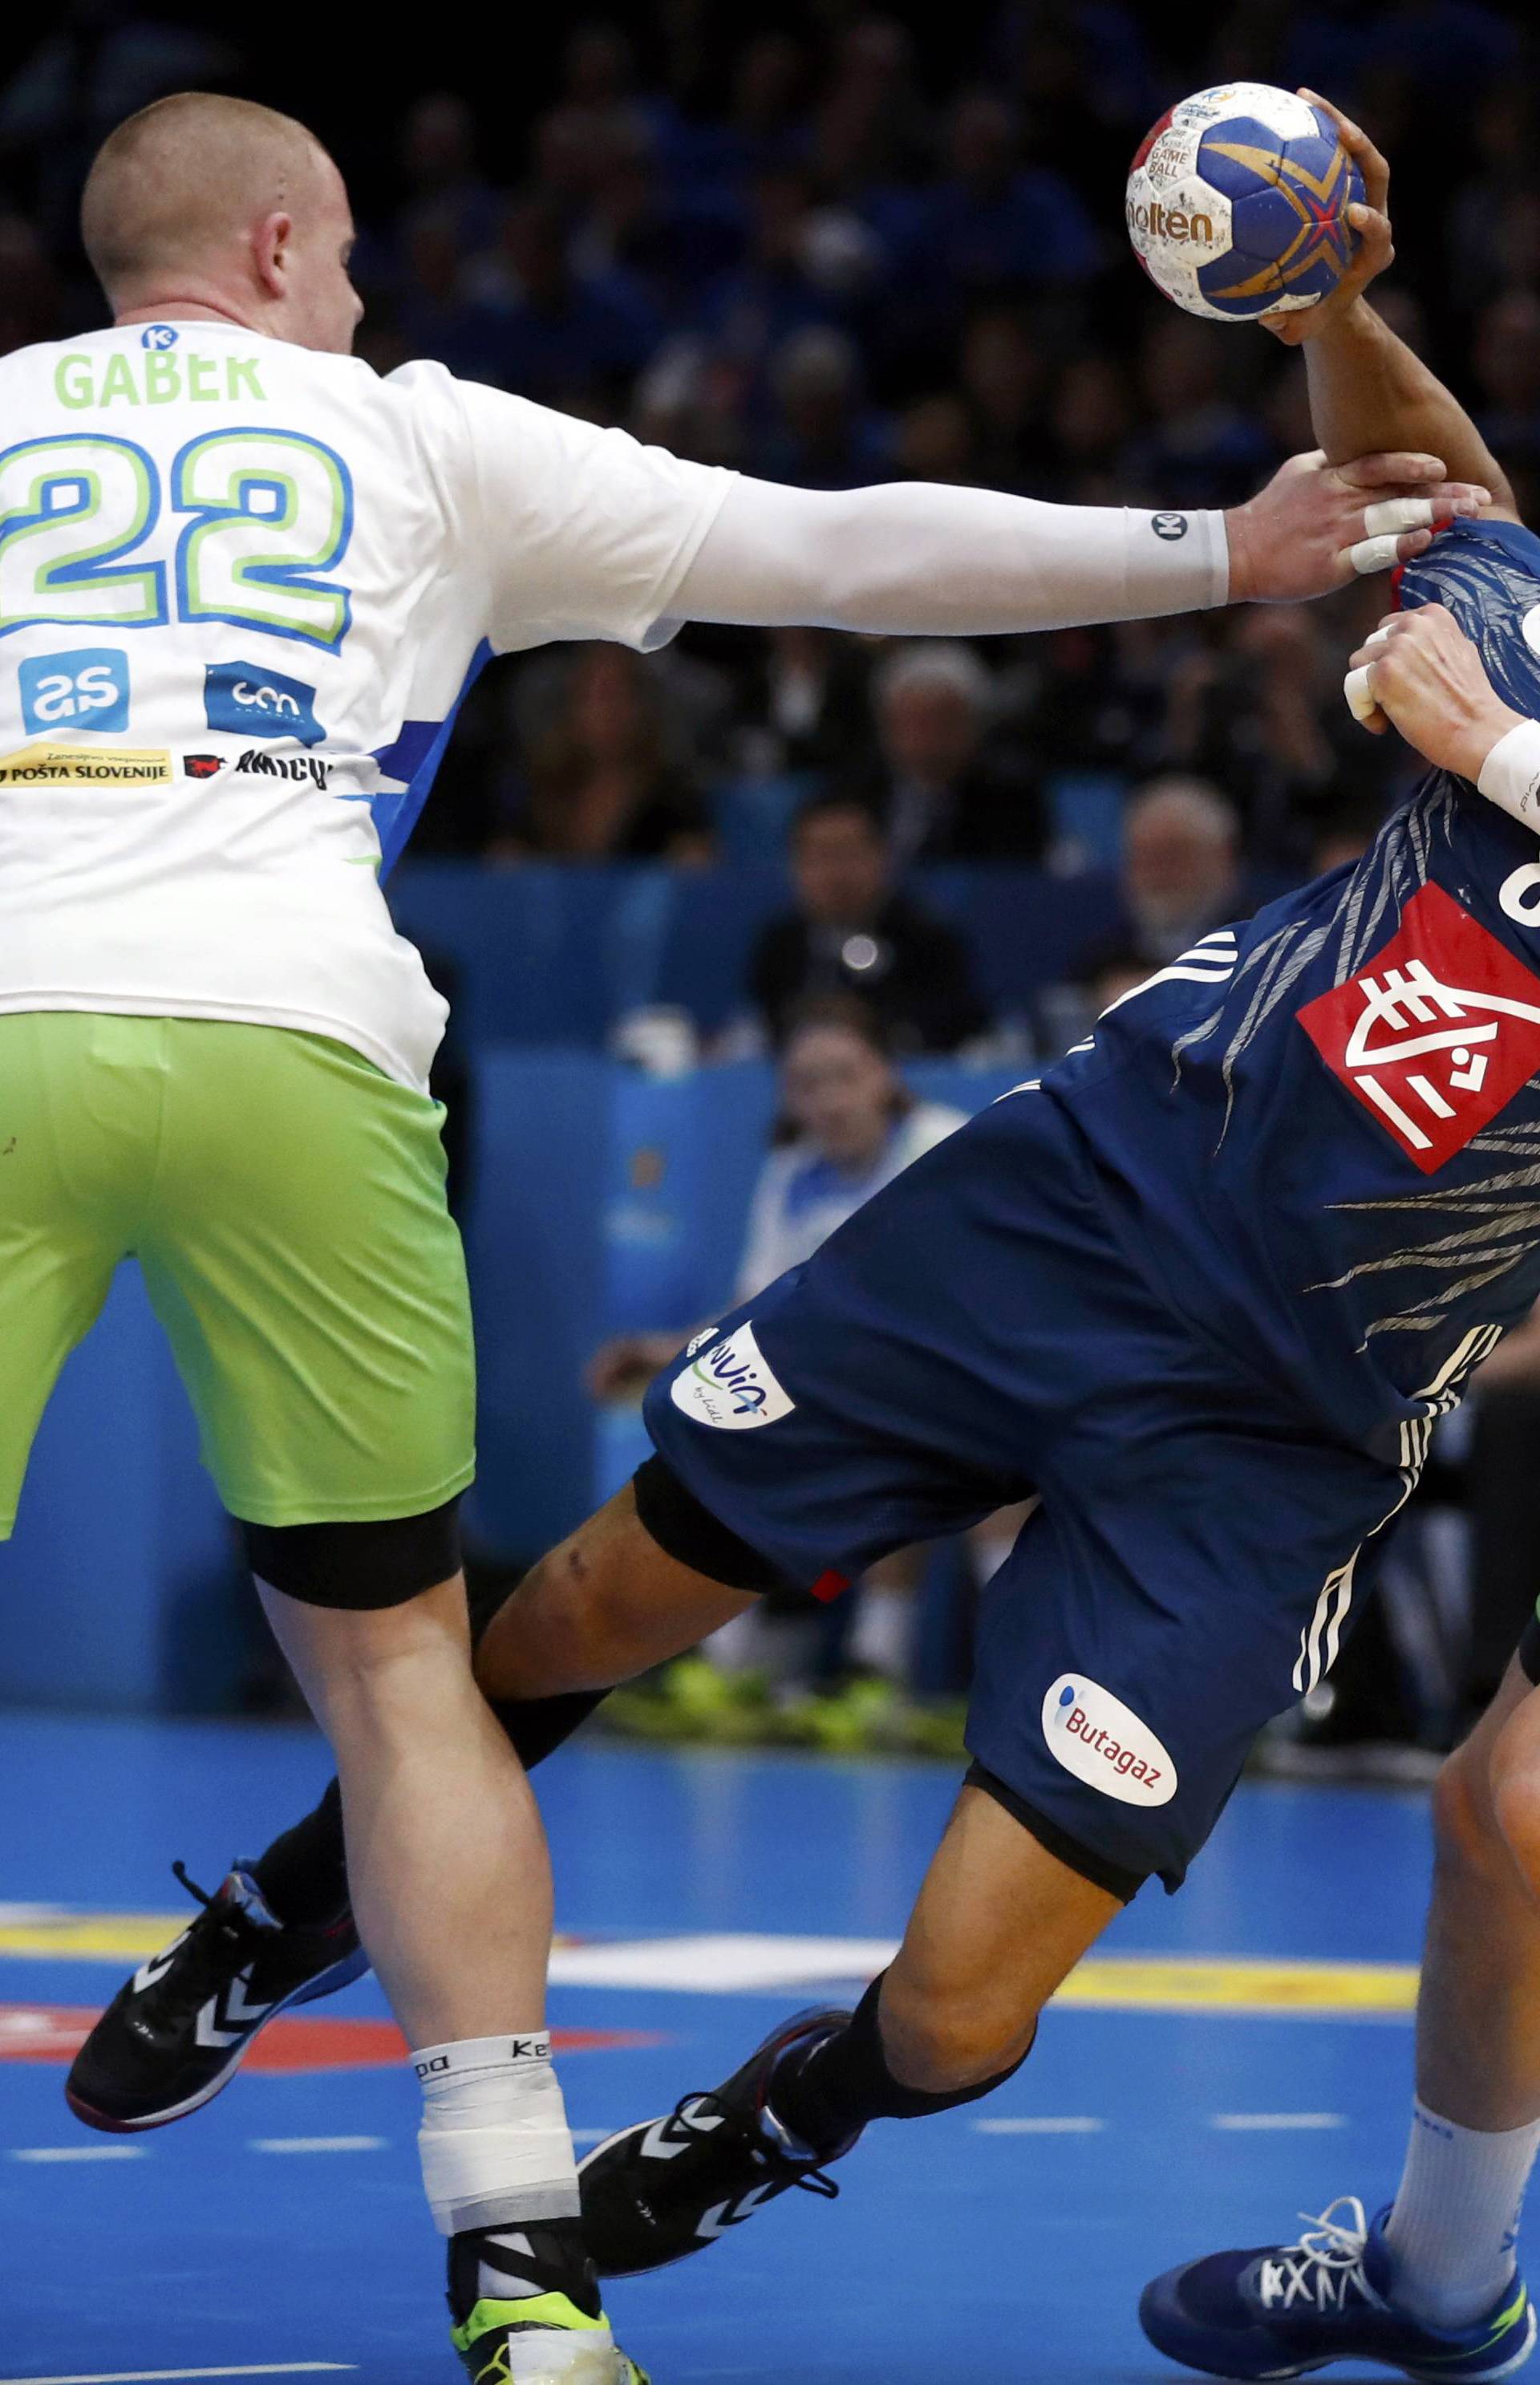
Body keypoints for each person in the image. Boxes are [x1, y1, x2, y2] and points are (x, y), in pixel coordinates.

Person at [48, 86, 1472, 2383]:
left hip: (1288, 1416)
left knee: (964, 2004)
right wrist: (1328, 302)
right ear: (300, 245)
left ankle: (753, 2126)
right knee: (574, 1604)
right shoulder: (1516, 620)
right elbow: (1447, 504)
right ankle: (285, 1923)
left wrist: (1489, 754)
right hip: (1075, 1202)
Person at [747, 793, 991, 1053]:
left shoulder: (929, 943)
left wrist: (872, 1025)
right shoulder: (778, 946)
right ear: (794, 867)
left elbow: (956, 1032)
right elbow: (760, 1031)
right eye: (820, 856)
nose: (837, 873)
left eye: (849, 853)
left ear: (883, 858)